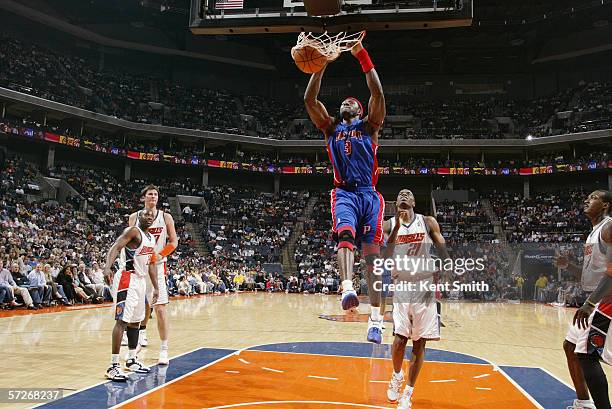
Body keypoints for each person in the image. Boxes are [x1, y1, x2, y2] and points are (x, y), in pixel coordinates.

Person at [303, 36, 386, 343]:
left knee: (373, 260)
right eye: (344, 101)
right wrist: (320, 64)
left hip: (369, 194)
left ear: (360, 109)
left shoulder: (369, 126)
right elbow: (310, 101)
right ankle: (348, 286)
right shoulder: (330, 128)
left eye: (352, 101)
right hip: (345, 193)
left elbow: (377, 91)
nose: (346, 102)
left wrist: (360, 53)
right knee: (346, 237)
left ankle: (375, 321)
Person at [384, 189, 449, 409]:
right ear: (396, 202)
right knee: (399, 339)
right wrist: (398, 229)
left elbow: (442, 248)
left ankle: (408, 393)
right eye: (400, 193)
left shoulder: (427, 222)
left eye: (407, 193)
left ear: (413, 201)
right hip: (401, 284)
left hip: (424, 285)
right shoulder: (388, 224)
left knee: (419, 342)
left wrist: (449, 267)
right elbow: (385, 255)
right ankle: (396, 375)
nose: (402, 194)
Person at [558, 190, 612, 409]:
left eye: (594, 198)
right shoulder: (594, 232)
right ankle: (583, 402)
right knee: (571, 347)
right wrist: (567, 265)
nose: (587, 200)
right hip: (595, 295)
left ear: (606, 205)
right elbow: (591, 273)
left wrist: (590, 303)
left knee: (588, 356)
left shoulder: (609, 228)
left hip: (605, 299)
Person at [104, 208, 160, 382]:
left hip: (141, 281)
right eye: (146, 215)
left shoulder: (150, 238)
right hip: (127, 278)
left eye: (152, 216)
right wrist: (107, 267)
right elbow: (116, 246)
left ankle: (131, 359)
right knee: (122, 321)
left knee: (136, 322)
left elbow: (151, 264)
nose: (149, 217)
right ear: (139, 217)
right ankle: (113, 366)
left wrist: (156, 287)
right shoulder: (133, 231)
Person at [128, 185, 178, 365]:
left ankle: (164, 349)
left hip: (157, 266)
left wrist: (160, 254)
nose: (153, 197)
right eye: (150, 194)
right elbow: (130, 241)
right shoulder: (134, 217)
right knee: (137, 306)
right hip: (139, 267)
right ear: (143, 198)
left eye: (156, 194)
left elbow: (173, 242)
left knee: (160, 308)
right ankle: (140, 336)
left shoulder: (165, 217)